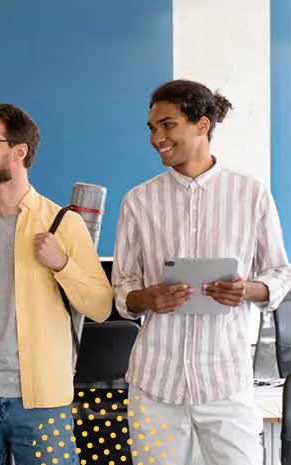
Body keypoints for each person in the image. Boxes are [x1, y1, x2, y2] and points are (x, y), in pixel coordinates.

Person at [111, 79, 291, 464]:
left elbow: (279, 272)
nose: (156, 136)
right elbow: (123, 286)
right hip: (154, 385)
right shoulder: (138, 201)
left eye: (167, 124)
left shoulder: (251, 194)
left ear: (202, 125)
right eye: (152, 128)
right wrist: (147, 297)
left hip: (226, 383)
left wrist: (250, 289)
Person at [0, 104, 113, 464]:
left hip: (43, 402)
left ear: (20, 151)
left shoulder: (65, 224)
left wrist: (62, 264)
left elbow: (101, 307)